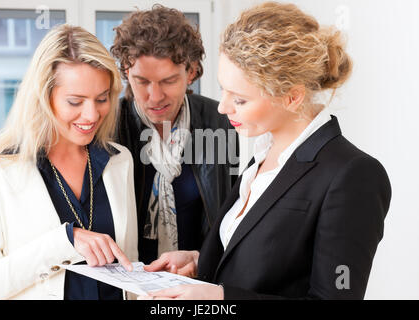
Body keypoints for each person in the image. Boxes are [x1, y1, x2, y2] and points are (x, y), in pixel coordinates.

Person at [142, 1, 391, 300]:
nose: (222, 107)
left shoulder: (353, 175)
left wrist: (221, 299)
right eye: (223, 90)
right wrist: (200, 261)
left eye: (240, 99)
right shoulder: (262, 154)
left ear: (292, 98)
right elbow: (264, 260)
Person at [0, 24, 137, 300]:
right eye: (75, 101)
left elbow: (128, 264)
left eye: (102, 98)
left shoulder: (120, 162)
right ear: (43, 98)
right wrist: (65, 243)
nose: (92, 115)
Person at [111, 5, 239, 265]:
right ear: (126, 71)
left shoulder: (220, 121)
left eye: (168, 81)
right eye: (142, 81)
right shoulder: (111, 125)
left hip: (196, 278)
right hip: (127, 280)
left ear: (191, 72)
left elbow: (226, 216)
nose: (155, 97)